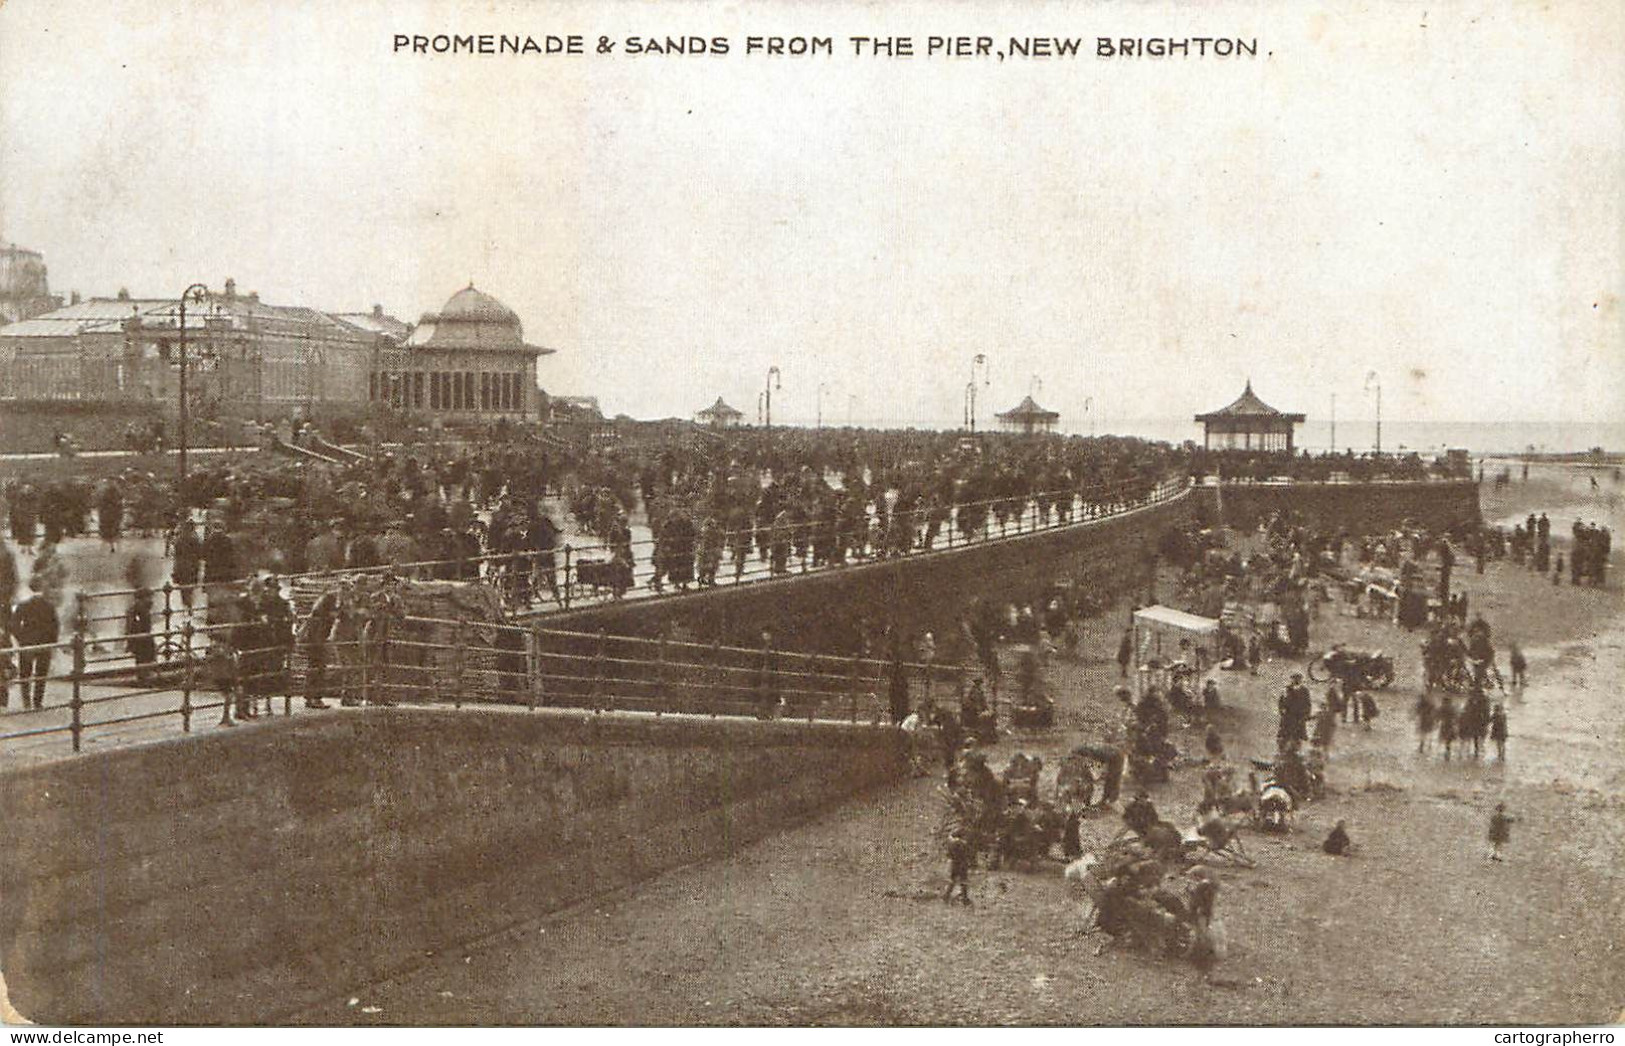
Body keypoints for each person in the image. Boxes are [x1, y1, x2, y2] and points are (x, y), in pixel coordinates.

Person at [11, 582, 59, 710]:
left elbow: (14, 626)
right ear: (42, 589)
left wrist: (21, 638)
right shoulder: (49, 606)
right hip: (44, 643)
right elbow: (55, 627)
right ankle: (38, 702)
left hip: (27, 643)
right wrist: (52, 643)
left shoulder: (23, 605)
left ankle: (26, 702)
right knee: (41, 674)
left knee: (25, 673)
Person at [944, 829, 973, 906]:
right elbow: (967, 854)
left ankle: (946, 896)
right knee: (963, 881)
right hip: (962, 863)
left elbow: (948, 854)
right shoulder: (962, 844)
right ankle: (965, 898)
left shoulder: (950, 843)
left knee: (953, 880)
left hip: (954, 863)